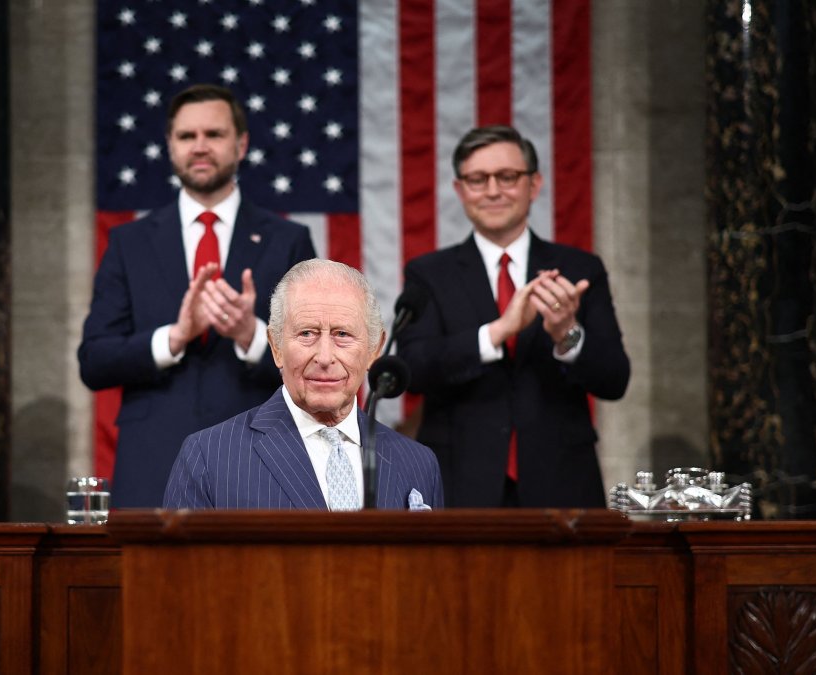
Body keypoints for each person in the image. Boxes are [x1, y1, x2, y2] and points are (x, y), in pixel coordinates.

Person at [79, 84, 316, 508]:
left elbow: (317, 358)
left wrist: (252, 334)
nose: (200, 147)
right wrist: (174, 336)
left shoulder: (288, 241)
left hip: (263, 461)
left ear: (241, 144)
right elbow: (94, 361)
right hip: (153, 465)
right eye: (187, 137)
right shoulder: (128, 243)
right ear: (170, 147)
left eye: (214, 134)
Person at [398, 125, 630, 508]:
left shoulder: (579, 268)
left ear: (534, 185)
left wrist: (566, 334)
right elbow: (413, 368)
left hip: (561, 483)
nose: (492, 191)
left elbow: (614, 379)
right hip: (461, 483)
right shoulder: (430, 273)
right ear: (460, 191)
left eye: (507, 177)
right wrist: (497, 332)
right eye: (477, 179)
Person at [164, 259, 443, 510]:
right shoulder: (209, 456)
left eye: (342, 334)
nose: (324, 357)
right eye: (307, 333)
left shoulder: (418, 463)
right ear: (276, 347)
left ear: (374, 349)